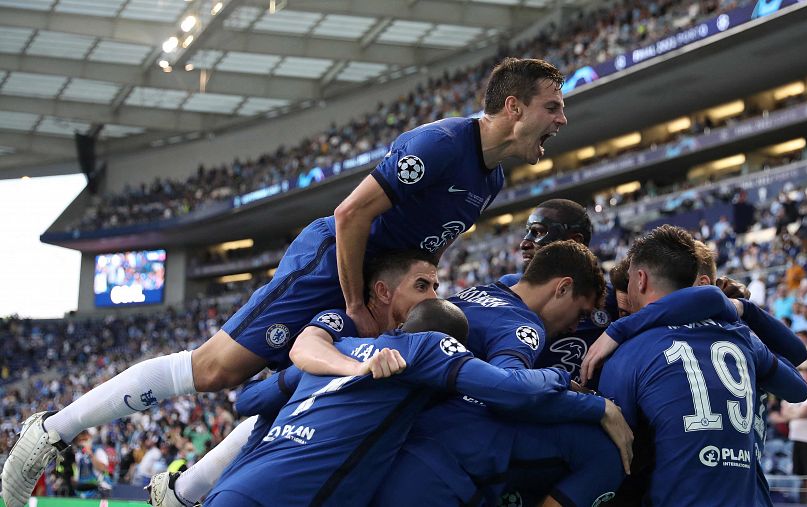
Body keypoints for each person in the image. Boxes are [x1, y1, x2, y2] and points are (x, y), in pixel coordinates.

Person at [2, 57, 567, 507]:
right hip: (334, 266)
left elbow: (427, 244)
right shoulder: (442, 144)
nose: (562, 120)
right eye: (552, 107)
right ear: (513, 106)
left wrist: (408, 291)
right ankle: (51, 431)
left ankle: (179, 493)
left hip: (377, 285)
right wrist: (355, 301)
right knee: (216, 369)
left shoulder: (491, 178)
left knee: (316, 392)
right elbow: (351, 216)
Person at [204, 299, 601, 506]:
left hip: (235, 487)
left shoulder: (338, 348)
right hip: (291, 495)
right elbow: (515, 389)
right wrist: (566, 380)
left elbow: (249, 399)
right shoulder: (425, 349)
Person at [149, 249, 440, 507]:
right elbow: (298, 354)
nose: (434, 297)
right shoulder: (346, 323)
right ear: (384, 291)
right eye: (422, 286)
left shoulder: (413, 345)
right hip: (282, 458)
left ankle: (183, 491)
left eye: (435, 287)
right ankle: (183, 490)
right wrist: (354, 367)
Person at [371, 241, 633, 507]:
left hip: (388, 443)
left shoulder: (473, 294)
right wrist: (593, 403)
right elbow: (511, 390)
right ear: (562, 287)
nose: (575, 326)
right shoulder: (522, 326)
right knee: (603, 454)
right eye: (580, 313)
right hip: (440, 466)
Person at [598, 225, 807, 506]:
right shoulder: (741, 336)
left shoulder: (629, 352)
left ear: (640, 279)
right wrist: (741, 309)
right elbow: (798, 386)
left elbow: (618, 461)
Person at [497, 198, 618, 383]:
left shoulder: (608, 298)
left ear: (574, 241)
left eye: (538, 232)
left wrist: (619, 331)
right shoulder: (509, 289)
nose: (524, 244)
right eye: (527, 232)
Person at [769, 365, 807, 505]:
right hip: (797, 438)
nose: (801, 377)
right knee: (802, 477)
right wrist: (793, 413)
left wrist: (792, 413)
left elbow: (804, 413)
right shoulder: (802, 394)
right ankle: (804, 503)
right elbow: (787, 412)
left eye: (805, 374)